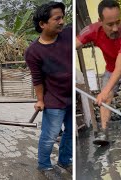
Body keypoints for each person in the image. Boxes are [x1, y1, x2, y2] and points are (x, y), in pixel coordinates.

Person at [76, 0, 121, 142]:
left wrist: (104, 91)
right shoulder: (92, 30)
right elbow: (73, 44)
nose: (115, 28)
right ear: (100, 21)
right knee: (106, 99)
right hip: (110, 68)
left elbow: (120, 68)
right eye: (110, 24)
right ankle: (104, 133)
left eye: (118, 22)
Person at [25, 1, 72, 177]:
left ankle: (65, 161)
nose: (62, 22)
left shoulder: (68, 34)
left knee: (69, 132)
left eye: (62, 17)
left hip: (71, 97)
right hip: (54, 99)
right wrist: (40, 100)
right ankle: (44, 165)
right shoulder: (33, 51)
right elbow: (37, 79)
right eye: (57, 18)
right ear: (43, 24)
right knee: (50, 136)